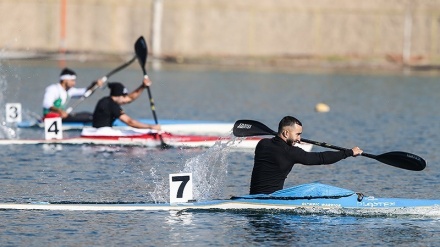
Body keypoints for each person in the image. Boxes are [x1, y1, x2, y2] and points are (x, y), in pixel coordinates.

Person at [250, 116, 363, 195]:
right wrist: (349, 152)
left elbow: (277, 146)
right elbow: (321, 158)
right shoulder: (291, 152)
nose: (299, 139)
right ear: (285, 133)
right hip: (270, 200)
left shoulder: (262, 144)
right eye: (298, 134)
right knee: (316, 188)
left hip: (253, 196)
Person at [91, 76, 161, 130]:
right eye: (124, 96)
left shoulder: (106, 100)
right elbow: (130, 122)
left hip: (101, 131)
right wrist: (151, 127)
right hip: (102, 133)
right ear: (118, 95)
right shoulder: (111, 105)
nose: (126, 99)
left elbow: (130, 98)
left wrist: (142, 86)